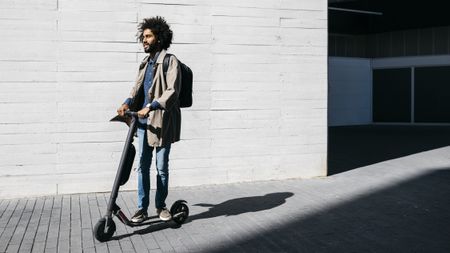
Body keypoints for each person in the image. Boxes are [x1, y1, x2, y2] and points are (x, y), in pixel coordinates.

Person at [117, 16, 182, 223]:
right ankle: (141, 209)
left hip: (162, 123)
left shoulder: (170, 62)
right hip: (144, 124)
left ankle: (161, 207)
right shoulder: (145, 63)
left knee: (161, 167)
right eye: (143, 36)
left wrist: (151, 106)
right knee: (142, 167)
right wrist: (126, 102)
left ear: (159, 38)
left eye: (148, 36)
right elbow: (136, 87)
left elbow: (172, 91)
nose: (144, 40)